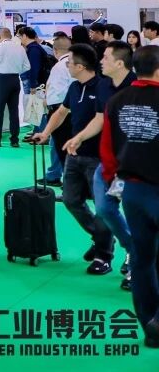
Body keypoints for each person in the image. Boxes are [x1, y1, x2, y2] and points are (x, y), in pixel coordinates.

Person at [31, 44, 118, 276]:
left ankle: (104, 256)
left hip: (98, 158)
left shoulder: (103, 88)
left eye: (69, 62)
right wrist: (45, 133)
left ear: (80, 66)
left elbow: (101, 120)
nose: (66, 65)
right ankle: (101, 237)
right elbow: (61, 112)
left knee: (102, 206)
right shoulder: (73, 87)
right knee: (71, 200)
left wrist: (79, 138)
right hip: (74, 155)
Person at [101, 44, 159, 348]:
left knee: (142, 258)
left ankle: (149, 323)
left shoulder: (117, 101)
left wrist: (115, 180)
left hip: (132, 190)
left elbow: (107, 150)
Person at [72, 40, 135, 287]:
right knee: (105, 208)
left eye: (106, 57)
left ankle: (136, 261)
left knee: (135, 212)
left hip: (134, 165)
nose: (101, 61)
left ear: (119, 63)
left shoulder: (137, 87)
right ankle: (132, 249)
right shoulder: (103, 86)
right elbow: (100, 119)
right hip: (108, 163)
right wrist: (79, 137)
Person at [39, 34, 74, 186]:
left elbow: (59, 94)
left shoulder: (59, 67)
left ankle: (68, 185)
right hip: (70, 111)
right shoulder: (74, 63)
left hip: (61, 112)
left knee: (63, 148)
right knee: (59, 146)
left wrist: (47, 101)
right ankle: (55, 175)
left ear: (55, 50)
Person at [0, 27, 28, 147]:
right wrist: (16, 69)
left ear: (0, 37)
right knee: (14, 111)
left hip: (2, 80)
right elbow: (27, 66)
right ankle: (14, 140)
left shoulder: (0, 46)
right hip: (15, 79)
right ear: (11, 36)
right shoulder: (20, 47)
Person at [18, 26, 48, 96]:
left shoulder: (34, 49)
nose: (20, 39)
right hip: (37, 82)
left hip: (36, 84)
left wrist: (33, 85)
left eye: (20, 37)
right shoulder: (34, 47)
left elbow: (34, 68)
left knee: (32, 102)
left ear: (24, 36)